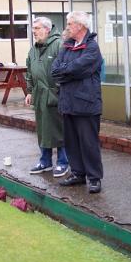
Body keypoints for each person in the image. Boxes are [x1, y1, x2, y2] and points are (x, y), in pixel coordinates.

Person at [52, 11, 103, 194]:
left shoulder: (92, 47)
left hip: (86, 103)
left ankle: (94, 177)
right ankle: (78, 173)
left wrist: (66, 72)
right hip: (68, 102)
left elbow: (81, 68)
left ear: (80, 26)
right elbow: (55, 70)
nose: (67, 27)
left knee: (89, 142)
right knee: (71, 141)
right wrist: (68, 72)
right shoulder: (66, 46)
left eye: (70, 24)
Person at [25, 17, 69, 177]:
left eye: (37, 28)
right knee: (43, 130)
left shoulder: (59, 45)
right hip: (39, 95)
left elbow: (65, 70)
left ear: (47, 29)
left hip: (56, 95)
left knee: (59, 129)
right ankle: (45, 161)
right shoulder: (34, 48)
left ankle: (63, 162)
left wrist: (58, 90)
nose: (34, 32)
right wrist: (29, 91)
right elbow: (29, 71)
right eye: (33, 28)